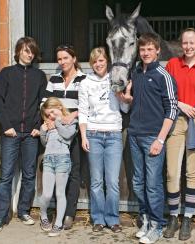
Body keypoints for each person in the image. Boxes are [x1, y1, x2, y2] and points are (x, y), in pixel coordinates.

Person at [0, 36, 47, 232]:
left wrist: (38, 125)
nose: (29, 54)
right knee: (6, 175)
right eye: (26, 50)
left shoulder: (39, 76)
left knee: (29, 174)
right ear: (18, 52)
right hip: (11, 133)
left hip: (30, 134)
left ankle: (23, 210)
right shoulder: (7, 73)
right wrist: (6, 125)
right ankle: (0, 216)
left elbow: (43, 104)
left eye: (32, 51)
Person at [126, 33, 177, 244]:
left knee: (153, 184)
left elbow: (171, 110)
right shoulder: (136, 73)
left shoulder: (163, 76)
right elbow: (134, 102)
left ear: (157, 51)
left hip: (153, 137)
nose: (145, 53)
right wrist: (127, 98)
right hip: (134, 135)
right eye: (142, 49)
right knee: (138, 183)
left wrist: (160, 140)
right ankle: (145, 219)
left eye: (149, 49)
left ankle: (157, 224)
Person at [164, 27, 195, 241]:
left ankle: (188, 219)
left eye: (192, 42)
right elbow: (166, 94)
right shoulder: (172, 64)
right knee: (173, 172)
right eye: (185, 42)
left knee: (192, 173)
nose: (188, 46)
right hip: (176, 120)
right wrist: (180, 104)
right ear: (180, 44)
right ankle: (174, 217)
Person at [78, 47, 130, 233]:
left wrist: (123, 97)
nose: (98, 64)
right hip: (93, 134)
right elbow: (83, 112)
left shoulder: (115, 79)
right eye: (95, 62)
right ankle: (98, 219)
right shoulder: (85, 83)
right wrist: (84, 136)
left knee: (112, 181)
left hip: (114, 135)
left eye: (101, 60)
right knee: (96, 181)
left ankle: (113, 219)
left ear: (107, 61)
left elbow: (124, 109)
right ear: (91, 64)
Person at [42, 45, 86, 229]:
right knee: (59, 172)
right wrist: (49, 121)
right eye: (59, 59)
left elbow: (88, 104)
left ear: (74, 59)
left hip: (73, 131)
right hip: (56, 133)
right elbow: (44, 104)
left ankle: (69, 213)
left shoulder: (84, 79)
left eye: (66, 58)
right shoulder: (54, 79)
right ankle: (56, 212)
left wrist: (73, 115)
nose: (62, 62)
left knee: (74, 172)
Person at [39, 97, 77, 237]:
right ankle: (43, 216)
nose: (51, 116)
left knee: (60, 193)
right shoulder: (49, 123)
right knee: (47, 194)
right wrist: (43, 131)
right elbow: (45, 143)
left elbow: (68, 135)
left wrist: (57, 123)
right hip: (48, 159)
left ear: (60, 107)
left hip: (63, 160)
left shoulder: (71, 121)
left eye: (53, 112)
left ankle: (58, 223)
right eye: (48, 115)